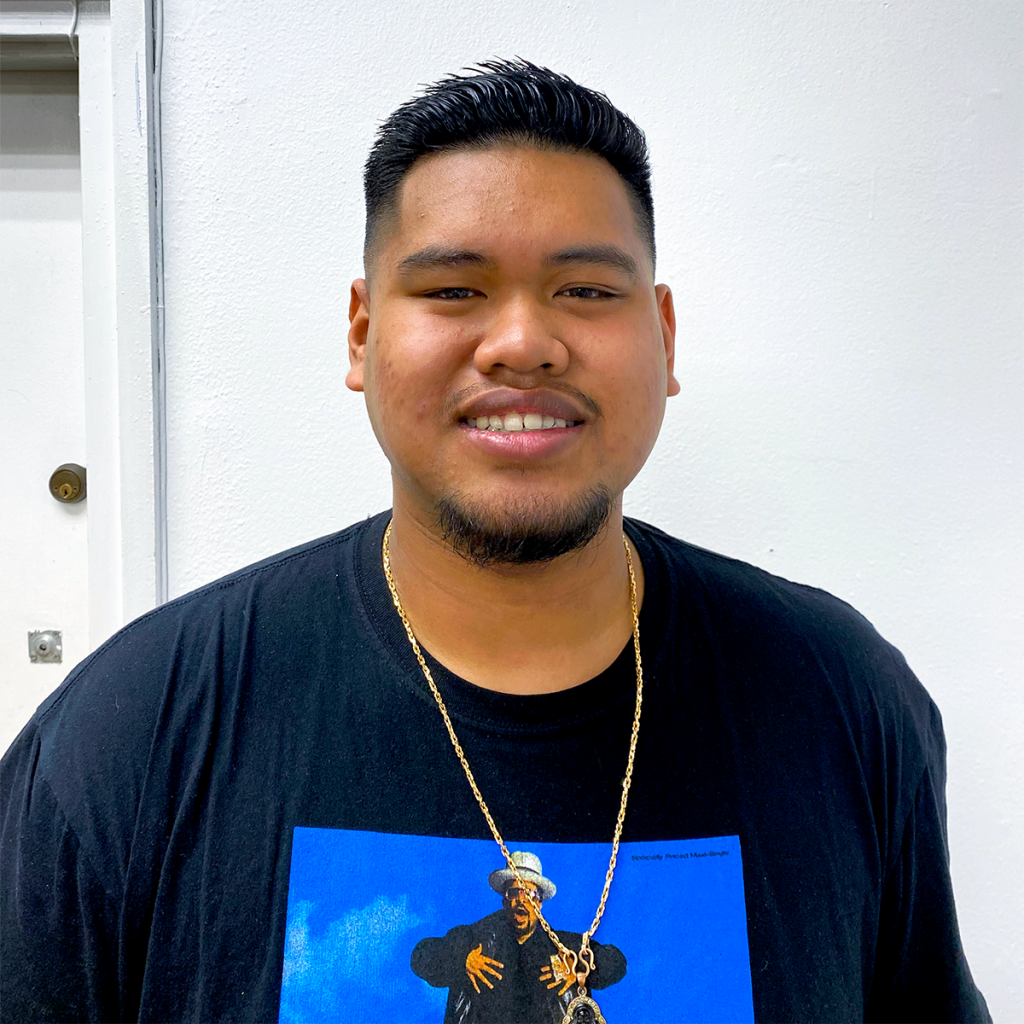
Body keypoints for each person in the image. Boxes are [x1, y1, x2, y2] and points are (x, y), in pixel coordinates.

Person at [0, 60, 990, 1023]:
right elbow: (432, 958)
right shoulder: (138, 730)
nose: (521, 341)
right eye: (454, 291)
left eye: (587, 292)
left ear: (663, 335)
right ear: (360, 334)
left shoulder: (838, 702)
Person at [410, 850, 626, 1023]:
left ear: (539, 903)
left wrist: (580, 967)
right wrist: (460, 960)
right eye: (514, 892)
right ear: (505, 900)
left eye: (529, 893)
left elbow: (617, 963)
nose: (521, 900)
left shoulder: (565, 949)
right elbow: (420, 956)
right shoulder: (471, 940)